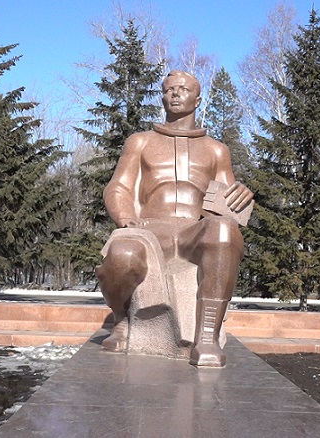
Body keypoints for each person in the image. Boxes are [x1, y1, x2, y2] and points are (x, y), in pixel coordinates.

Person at [95, 70, 253, 367]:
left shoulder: (217, 150)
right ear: (162, 97)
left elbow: (227, 205)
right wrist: (125, 217)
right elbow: (118, 187)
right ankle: (122, 320)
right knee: (122, 254)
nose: (175, 94)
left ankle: (206, 337)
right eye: (169, 90)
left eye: (183, 89)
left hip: (194, 232)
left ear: (198, 99)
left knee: (223, 231)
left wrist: (239, 195)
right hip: (150, 229)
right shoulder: (140, 142)